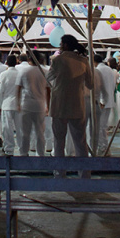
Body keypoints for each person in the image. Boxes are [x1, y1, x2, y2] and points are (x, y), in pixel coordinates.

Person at [47, 35, 93, 172]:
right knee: (80, 141)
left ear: (65, 45)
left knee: (59, 141)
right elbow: (90, 84)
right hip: (77, 105)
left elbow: (48, 78)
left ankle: (60, 173)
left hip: (60, 104)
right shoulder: (84, 61)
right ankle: (85, 175)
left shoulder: (57, 60)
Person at [16, 53, 49, 156]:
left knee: (25, 132)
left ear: (30, 60)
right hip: (40, 106)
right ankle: (40, 154)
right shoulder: (46, 72)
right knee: (40, 133)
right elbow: (48, 91)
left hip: (26, 105)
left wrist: (18, 103)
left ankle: (23, 153)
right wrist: (48, 105)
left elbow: (18, 88)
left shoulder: (24, 71)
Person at [92, 53, 119, 154]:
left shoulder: (99, 70)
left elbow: (101, 86)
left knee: (99, 127)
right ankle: (105, 148)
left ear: (94, 62)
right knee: (103, 126)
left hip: (102, 102)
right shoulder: (109, 69)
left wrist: (102, 101)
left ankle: (103, 148)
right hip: (108, 101)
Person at [0, 55, 20, 155]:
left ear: (6, 62)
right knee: (20, 128)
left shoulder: (3, 74)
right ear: (16, 62)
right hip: (19, 104)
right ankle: (22, 149)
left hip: (6, 105)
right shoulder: (20, 73)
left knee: (7, 128)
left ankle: (9, 149)